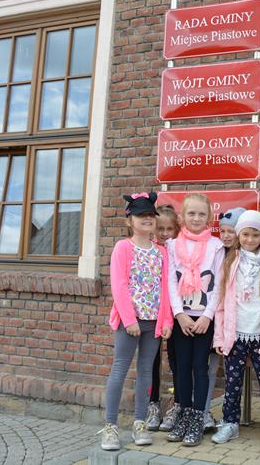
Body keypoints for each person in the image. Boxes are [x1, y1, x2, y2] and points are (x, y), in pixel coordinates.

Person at [98, 192, 173, 451]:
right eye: (141, 215)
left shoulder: (161, 252)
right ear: (130, 220)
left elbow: (166, 288)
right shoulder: (123, 248)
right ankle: (110, 426)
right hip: (129, 322)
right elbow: (119, 285)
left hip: (153, 322)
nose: (147, 219)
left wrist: (167, 321)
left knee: (145, 372)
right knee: (120, 368)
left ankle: (140, 423)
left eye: (151, 215)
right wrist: (129, 319)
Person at [211, 210, 260, 447]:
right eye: (245, 234)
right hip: (235, 333)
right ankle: (230, 423)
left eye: (255, 235)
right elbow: (221, 301)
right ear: (239, 234)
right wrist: (219, 336)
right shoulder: (230, 262)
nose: (250, 239)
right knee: (232, 382)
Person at [166, 193, 225, 447]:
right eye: (191, 213)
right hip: (182, 319)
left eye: (202, 214)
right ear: (182, 216)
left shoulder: (216, 246)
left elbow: (219, 284)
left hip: (203, 320)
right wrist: (179, 313)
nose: (197, 218)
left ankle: (198, 418)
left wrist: (207, 316)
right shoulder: (172, 246)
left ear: (209, 217)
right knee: (182, 368)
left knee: (200, 368)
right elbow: (170, 280)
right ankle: (184, 415)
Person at [202, 206, 246, 432]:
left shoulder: (244, 257)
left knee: (220, 371)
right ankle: (202, 411)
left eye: (231, 231)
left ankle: (220, 415)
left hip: (231, 322)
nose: (226, 236)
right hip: (209, 317)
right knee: (205, 367)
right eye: (223, 231)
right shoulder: (216, 251)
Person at [147, 204, 179, 432]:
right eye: (161, 229)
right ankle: (153, 405)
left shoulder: (179, 251)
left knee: (176, 360)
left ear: (176, 229)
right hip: (153, 313)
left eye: (169, 229)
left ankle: (177, 404)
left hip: (175, 312)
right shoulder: (149, 250)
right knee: (152, 360)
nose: (165, 233)